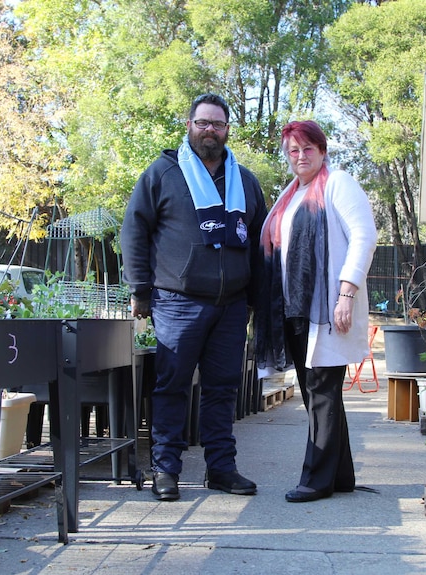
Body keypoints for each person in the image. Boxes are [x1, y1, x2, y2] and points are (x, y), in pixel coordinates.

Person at [121, 93, 268, 501]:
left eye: (217, 124)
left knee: (223, 389)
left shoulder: (246, 181)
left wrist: (255, 300)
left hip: (232, 305)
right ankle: (165, 469)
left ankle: (221, 468)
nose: (210, 130)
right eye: (202, 122)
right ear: (189, 126)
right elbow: (134, 230)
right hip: (176, 300)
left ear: (226, 131)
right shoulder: (163, 174)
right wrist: (139, 290)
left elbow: (259, 244)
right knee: (172, 387)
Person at [255, 120, 377, 503]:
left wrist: (347, 292)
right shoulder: (290, 195)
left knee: (322, 390)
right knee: (317, 394)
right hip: (293, 309)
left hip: (328, 307)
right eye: (293, 150)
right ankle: (340, 475)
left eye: (308, 148)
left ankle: (316, 479)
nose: (300, 156)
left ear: (322, 151)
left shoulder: (337, 182)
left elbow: (365, 234)